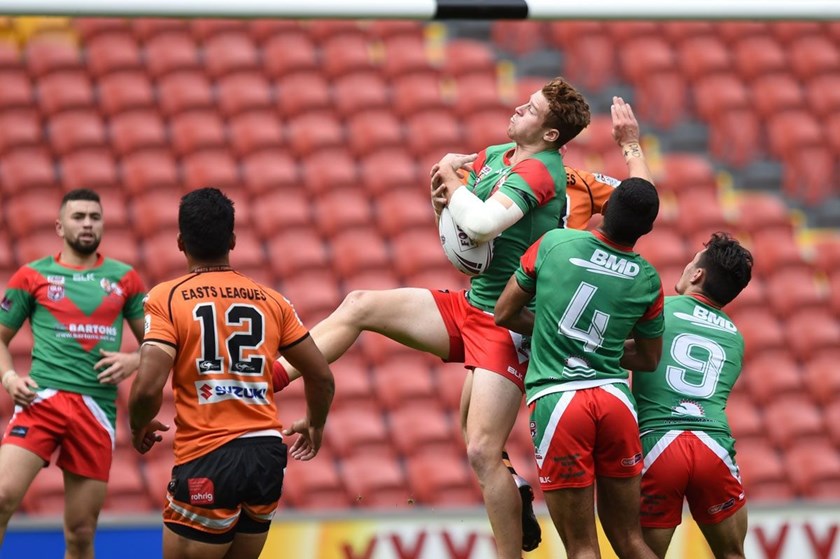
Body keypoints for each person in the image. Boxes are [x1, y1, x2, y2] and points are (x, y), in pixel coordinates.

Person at [271, 94, 652, 555]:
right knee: (359, 305)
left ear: (552, 135)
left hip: (508, 322)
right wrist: (443, 193)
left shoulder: (562, 177)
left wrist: (631, 146)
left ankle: (510, 530)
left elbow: (639, 200)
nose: (517, 110)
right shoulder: (496, 156)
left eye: (530, 109)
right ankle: (269, 379)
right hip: (474, 303)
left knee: (479, 448)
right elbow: (459, 215)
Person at [128, 187, 335, 559]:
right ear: (233, 240)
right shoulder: (272, 301)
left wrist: (138, 424)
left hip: (208, 455)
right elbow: (321, 376)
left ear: (180, 242)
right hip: (266, 457)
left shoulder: (166, 298)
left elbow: (146, 388)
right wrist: (315, 423)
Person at [494, 177, 664, 559]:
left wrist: (555, 329)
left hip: (561, 400)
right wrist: (602, 346)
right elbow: (649, 358)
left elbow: (504, 312)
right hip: (616, 402)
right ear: (647, 230)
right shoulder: (649, 279)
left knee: (582, 547)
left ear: (607, 207)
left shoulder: (555, 243)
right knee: (631, 541)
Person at [0, 188, 146, 557]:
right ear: (59, 226)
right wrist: (10, 378)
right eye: (78, 217)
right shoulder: (31, 276)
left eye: (94, 217)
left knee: (80, 531)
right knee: (1, 497)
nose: (87, 224)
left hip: (95, 410)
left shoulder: (125, 278)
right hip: (41, 401)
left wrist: (133, 360)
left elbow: (160, 344)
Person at [632, 232, 753, 559]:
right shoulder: (735, 338)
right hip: (712, 444)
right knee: (732, 554)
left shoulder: (658, 311)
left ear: (697, 274)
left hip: (659, 441)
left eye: (691, 263)